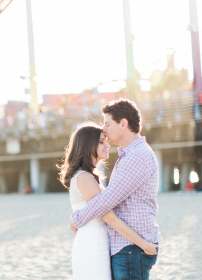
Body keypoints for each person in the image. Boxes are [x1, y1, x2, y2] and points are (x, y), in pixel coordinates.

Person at [70, 99, 161, 280]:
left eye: (107, 124)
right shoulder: (130, 155)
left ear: (123, 124)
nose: (103, 129)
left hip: (132, 248)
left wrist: (77, 218)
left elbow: (107, 200)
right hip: (129, 247)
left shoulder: (136, 156)